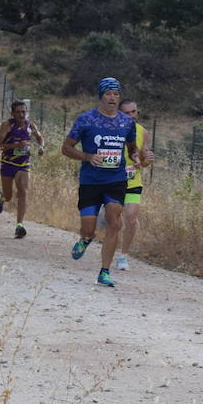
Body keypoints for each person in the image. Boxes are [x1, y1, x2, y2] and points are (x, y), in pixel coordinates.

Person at [62, 78, 140, 286]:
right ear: (101, 96)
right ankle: (86, 239)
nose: (112, 98)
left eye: (116, 94)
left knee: (115, 222)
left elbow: (132, 148)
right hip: (91, 181)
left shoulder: (127, 122)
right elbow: (66, 148)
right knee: (89, 229)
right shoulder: (86, 119)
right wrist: (87, 157)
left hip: (116, 180)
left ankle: (104, 271)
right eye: (108, 94)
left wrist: (136, 157)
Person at [0, 99, 43, 238]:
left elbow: (40, 138)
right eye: (18, 112)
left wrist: (41, 147)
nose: (21, 115)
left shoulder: (30, 125)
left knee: (23, 191)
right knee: (8, 196)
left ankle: (19, 225)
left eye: (23, 112)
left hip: (23, 164)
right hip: (8, 163)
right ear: (12, 114)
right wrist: (16, 146)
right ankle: (1, 197)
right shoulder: (7, 125)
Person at [116, 98, 154, 270]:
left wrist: (147, 160)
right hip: (112, 181)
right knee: (112, 220)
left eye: (134, 112)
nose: (132, 115)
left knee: (131, 219)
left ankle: (123, 257)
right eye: (127, 113)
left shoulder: (142, 132)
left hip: (133, 182)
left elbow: (144, 160)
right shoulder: (111, 129)